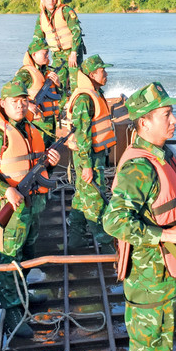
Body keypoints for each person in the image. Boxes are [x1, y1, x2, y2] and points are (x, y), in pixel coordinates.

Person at [102, 82, 176, 351]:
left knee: (158, 347)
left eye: (172, 114)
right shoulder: (139, 167)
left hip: (164, 275)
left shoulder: (163, 155)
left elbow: (170, 199)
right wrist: (166, 235)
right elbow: (113, 221)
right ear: (144, 122)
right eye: (166, 114)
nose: (173, 121)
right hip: (148, 278)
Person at [0, 80, 60, 338]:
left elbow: (38, 169)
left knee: (29, 252)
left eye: (24, 100)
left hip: (33, 206)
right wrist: (4, 189)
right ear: (3, 104)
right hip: (11, 209)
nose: (20, 105)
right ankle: (12, 312)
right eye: (15, 102)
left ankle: (24, 295)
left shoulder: (31, 129)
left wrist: (51, 164)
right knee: (9, 260)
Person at [65, 54, 116, 250]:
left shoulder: (94, 93)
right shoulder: (84, 99)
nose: (107, 74)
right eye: (103, 71)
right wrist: (87, 166)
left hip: (94, 158)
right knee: (96, 203)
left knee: (80, 201)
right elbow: (82, 136)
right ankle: (108, 251)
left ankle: (75, 244)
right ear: (93, 74)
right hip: (89, 160)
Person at [32, 0, 85, 108]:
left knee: (75, 82)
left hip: (73, 52)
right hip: (57, 55)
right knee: (57, 83)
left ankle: (77, 110)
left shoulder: (66, 11)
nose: (51, 0)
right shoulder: (41, 18)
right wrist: (34, 59)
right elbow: (37, 40)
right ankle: (61, 111)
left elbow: (77, 32)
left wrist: (73, 53)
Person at [14, 39, 61, 144]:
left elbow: (59, 96)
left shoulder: (48, 72)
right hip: (37, 122)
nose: (48, 56)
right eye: (45, 53)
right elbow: (13, 93)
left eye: (48, 53)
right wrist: (28, 105)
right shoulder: (25, 73)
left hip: (50, 121)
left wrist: (58, 84)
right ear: (34, 54)